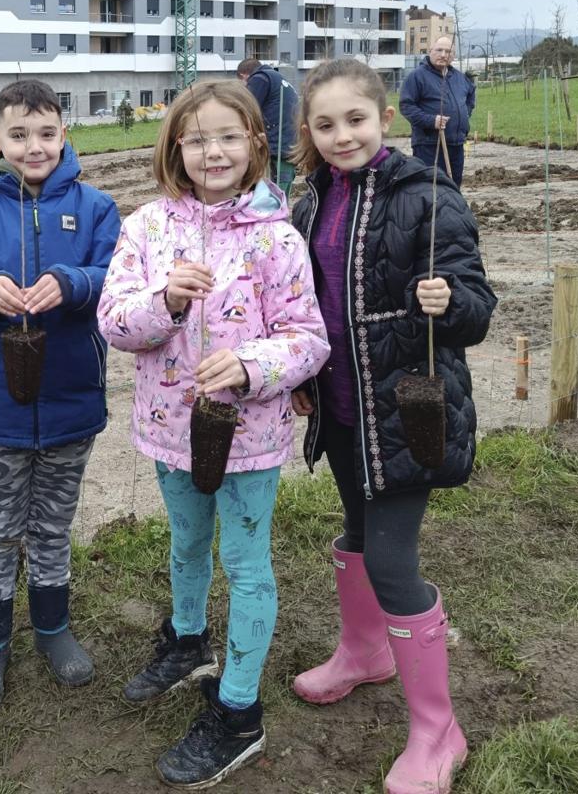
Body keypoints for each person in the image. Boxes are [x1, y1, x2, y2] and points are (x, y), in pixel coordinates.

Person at [97, 80, 329, 789]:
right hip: (169, 429)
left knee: (247, 564)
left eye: (228, 135)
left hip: (247, 438)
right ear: (174, 148)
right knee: (187, 542)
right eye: (195, 139)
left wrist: (252, 365)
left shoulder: (276, 237)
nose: (212, 151)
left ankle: (237, 713)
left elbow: (307, 340)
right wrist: (165, 300)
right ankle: (188, 639)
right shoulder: (146, 228)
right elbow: (113, 323)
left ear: (255, 144)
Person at [288, 58, 496, 794]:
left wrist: (448, 301)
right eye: (324, 123)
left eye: (355, 119)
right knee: (353, 534)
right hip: (341, 409)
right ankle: (363, 652)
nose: (341, 135)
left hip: (409, 409)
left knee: (390, 561)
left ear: (383, 119)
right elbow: (302, 306)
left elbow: (477, 305)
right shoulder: (308, 200)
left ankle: (439, 731)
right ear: (307, 131)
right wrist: (302, 380)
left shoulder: (427, 194)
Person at [0, 79, 120, 713]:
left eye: (46, 133)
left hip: (72, 400)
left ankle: (52, 628)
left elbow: (115, 281)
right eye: (18, 134)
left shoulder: (96, 207)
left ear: (64, 135)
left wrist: (70, 282)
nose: (33, 146)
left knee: (53, 525)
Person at [400, 36, 476, 187]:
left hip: (456, 144)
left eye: (447, 51)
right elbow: (406, 106)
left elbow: (470, 95)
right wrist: (430, 121)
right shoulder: (417, 76)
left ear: (453, 56)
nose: (443, 54)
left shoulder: (460, 78)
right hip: (429, 145)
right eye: (439, 50)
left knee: (454, 188)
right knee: (432, 189)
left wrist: (464, 116)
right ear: (430, 51)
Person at [235, 58, 299, 194]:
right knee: (281, 197)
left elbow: (247, 108)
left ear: (243, 75)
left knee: (271, 197)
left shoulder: (260, 78)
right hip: (290, 145)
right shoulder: (279, 79)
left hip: (276, 147)